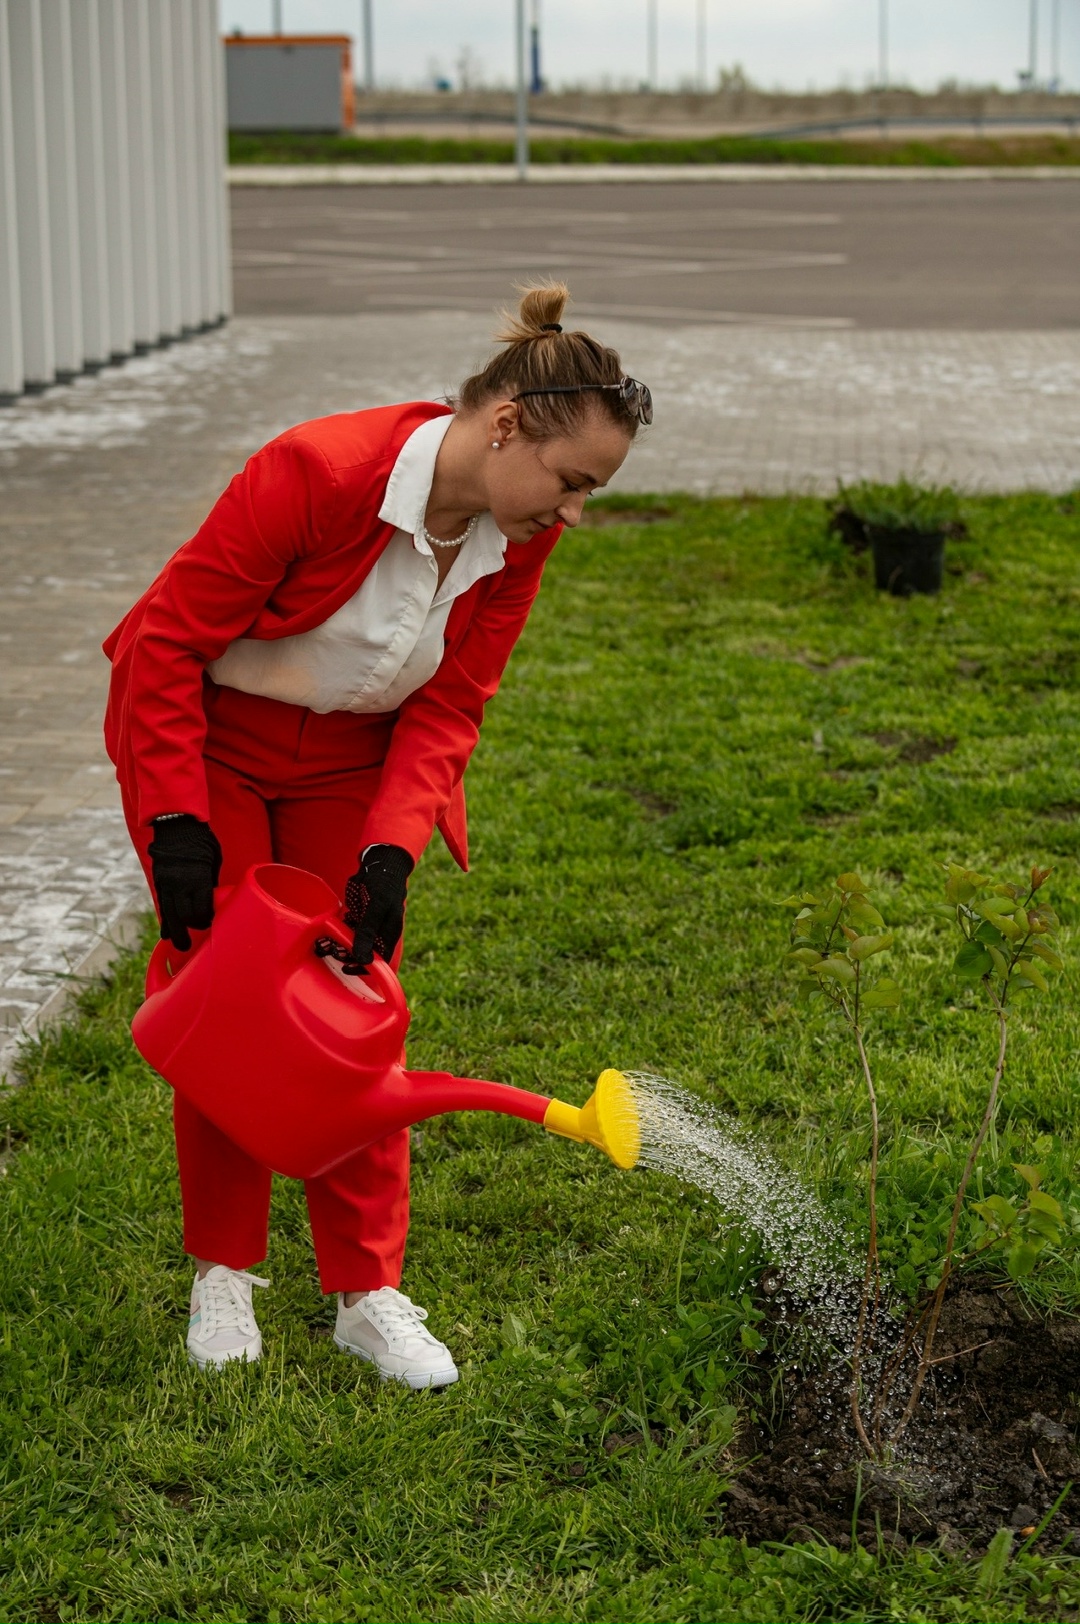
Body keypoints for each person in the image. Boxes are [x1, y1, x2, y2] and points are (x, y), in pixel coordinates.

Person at [103, 282, 651, 1386]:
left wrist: (391, 847)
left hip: (353, 758)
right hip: (213, 736)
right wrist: (176, 823)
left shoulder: (515, 529)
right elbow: (164, 644)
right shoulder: (315, 471)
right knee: (227, 993)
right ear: (507, 427)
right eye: (573, 481)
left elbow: (453, 703)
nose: (574, 511)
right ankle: (223, 1273)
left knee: (356, 1005)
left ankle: (368, 1291)